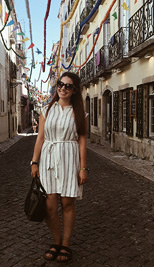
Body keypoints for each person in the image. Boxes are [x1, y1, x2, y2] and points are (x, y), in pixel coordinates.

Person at [30, 72, 89, 263]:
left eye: (68, 86)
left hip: (70, 159)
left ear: (74, 90)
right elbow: (40, 138)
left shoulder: (80, 114)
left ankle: (65, 243)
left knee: (67, 204)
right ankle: (55, 240)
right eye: (60, 84)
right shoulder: (46, 110)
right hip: (48, 160)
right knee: (49, 207)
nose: (63, 88)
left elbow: (82, 142)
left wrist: (83, 168)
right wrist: (34, 162)